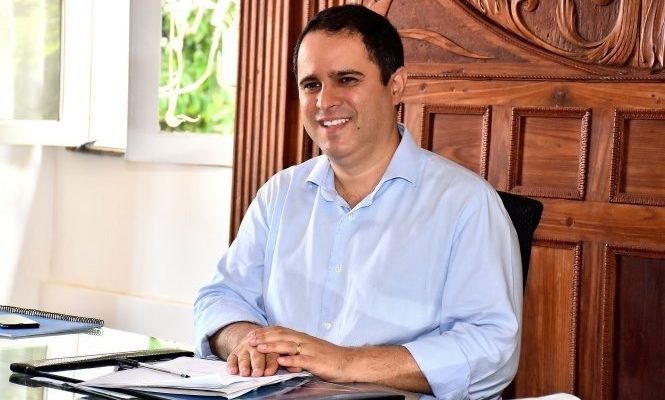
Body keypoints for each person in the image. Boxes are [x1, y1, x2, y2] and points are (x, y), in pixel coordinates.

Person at [194, 4, 522, 399]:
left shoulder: (467, 204)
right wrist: (248, 341)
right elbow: (220, 297)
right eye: (311, 84)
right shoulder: (279, 194)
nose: (324, 101)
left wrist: (346, 362)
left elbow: (492, 349)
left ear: (396, 85)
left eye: (346, 79)